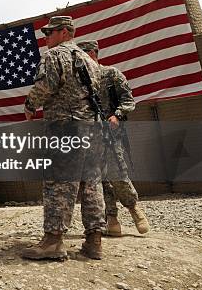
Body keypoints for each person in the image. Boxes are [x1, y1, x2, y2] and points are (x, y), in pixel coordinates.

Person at [22, 16, 106, 260]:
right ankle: (94, 242)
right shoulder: (90, 62)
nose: (45, 37)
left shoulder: (55, 55)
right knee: (91, 184)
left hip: (66, 128)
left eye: (49, 33)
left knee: (59, 183)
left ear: (65, 32)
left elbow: (44, 86)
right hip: (92, 129)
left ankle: (53, 241)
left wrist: (29, 105)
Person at [76, 40, 150, 236]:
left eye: (83, 55)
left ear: (93, 54)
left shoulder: (111, 74)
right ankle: (112, 219)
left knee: (117, 172)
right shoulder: (80, 83)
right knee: (99, 180)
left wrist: (117, 115)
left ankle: (134, 208)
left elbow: (128, 99)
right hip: (89, 135)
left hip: (110, 132)